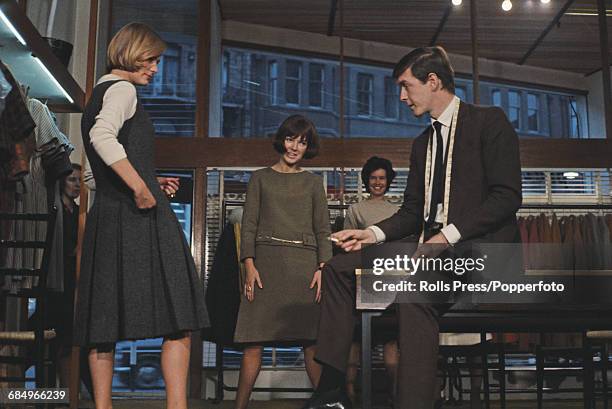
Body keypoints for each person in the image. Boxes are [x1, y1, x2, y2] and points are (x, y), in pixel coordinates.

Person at [304, 46, 522, 409]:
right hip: (428, 250)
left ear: (433, 81)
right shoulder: (422, 144)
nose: (401, 97)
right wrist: (370, 234)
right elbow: (411, 212)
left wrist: (446, 235)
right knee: (340, 269)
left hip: (480, 254)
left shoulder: (489, 121)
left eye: (406, 86)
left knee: (416, 294)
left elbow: (506, 197)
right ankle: (332, 387)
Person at [74, 23, 208, 409]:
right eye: (152, 59)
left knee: (104, 324)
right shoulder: (122, 89)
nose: (156, 68)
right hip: (139, 221)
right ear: (131, 54)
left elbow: (93, 169)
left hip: (110, 219)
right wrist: (139, 187)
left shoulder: (98, 93)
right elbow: (103, 138)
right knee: (178, 318)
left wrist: (146, 178)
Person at [234, 114, 332, 409]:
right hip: (265, 268)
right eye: (290, 139)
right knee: (253, 342)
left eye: (302, 142)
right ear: (281, 139)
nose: (294, 147)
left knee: (311, 343)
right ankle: (239, 406)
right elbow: (248, 224)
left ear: (308, 147)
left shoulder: (314, 184)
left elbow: (323, 230)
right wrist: (249, 266)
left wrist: (323, 268)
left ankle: (326, 404)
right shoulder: (259, 178)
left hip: (304, 269)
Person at [342, 156, 399, 404]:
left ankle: (398, 397)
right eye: (373, 178)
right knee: (355, 341)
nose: (378, 182)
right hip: (361, 282)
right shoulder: (356, 210)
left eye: (382, 178)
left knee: (391, 341)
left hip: (391, 282)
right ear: (367, 181)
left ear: (388, 181)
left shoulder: (399, 210)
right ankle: (350, 396)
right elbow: (346, 248)